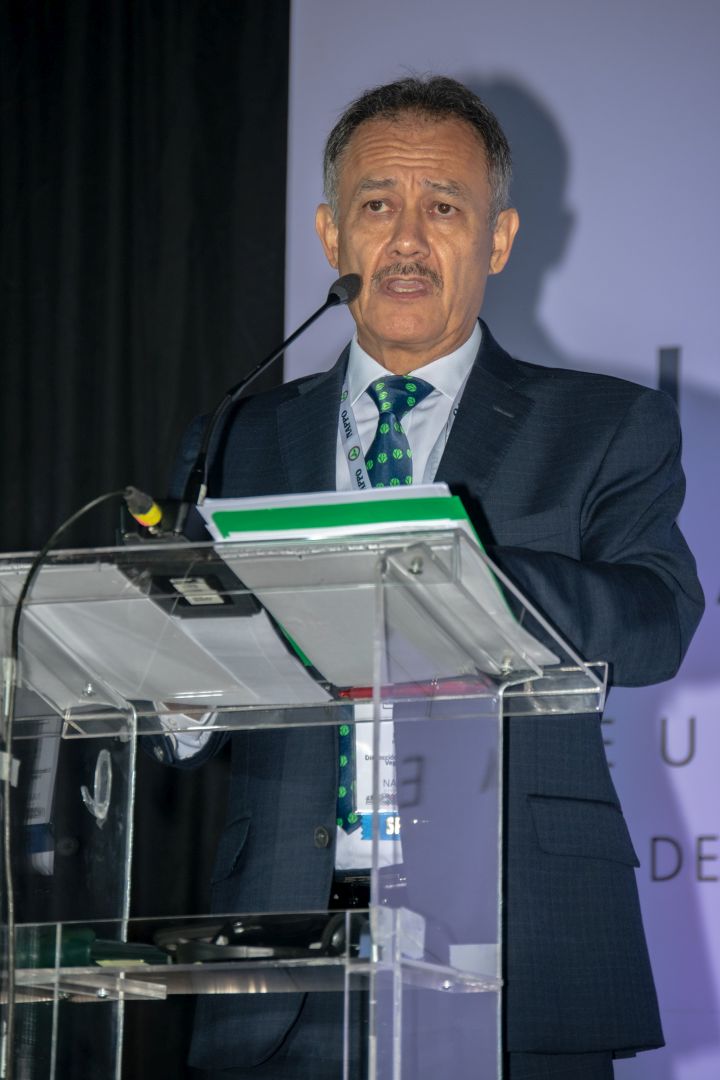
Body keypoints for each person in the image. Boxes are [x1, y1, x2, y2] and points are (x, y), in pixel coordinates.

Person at [161, 76, 704, 1079]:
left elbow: (656, 619)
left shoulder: (602, 425)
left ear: (498, 239)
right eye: (377, 205)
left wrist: (458, 576)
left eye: (444, 207)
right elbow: (188, 669)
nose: (407, 239)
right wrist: (177, 687)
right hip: (286, 956)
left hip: (517, 947)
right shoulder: (239, 437)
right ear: (332, 235)